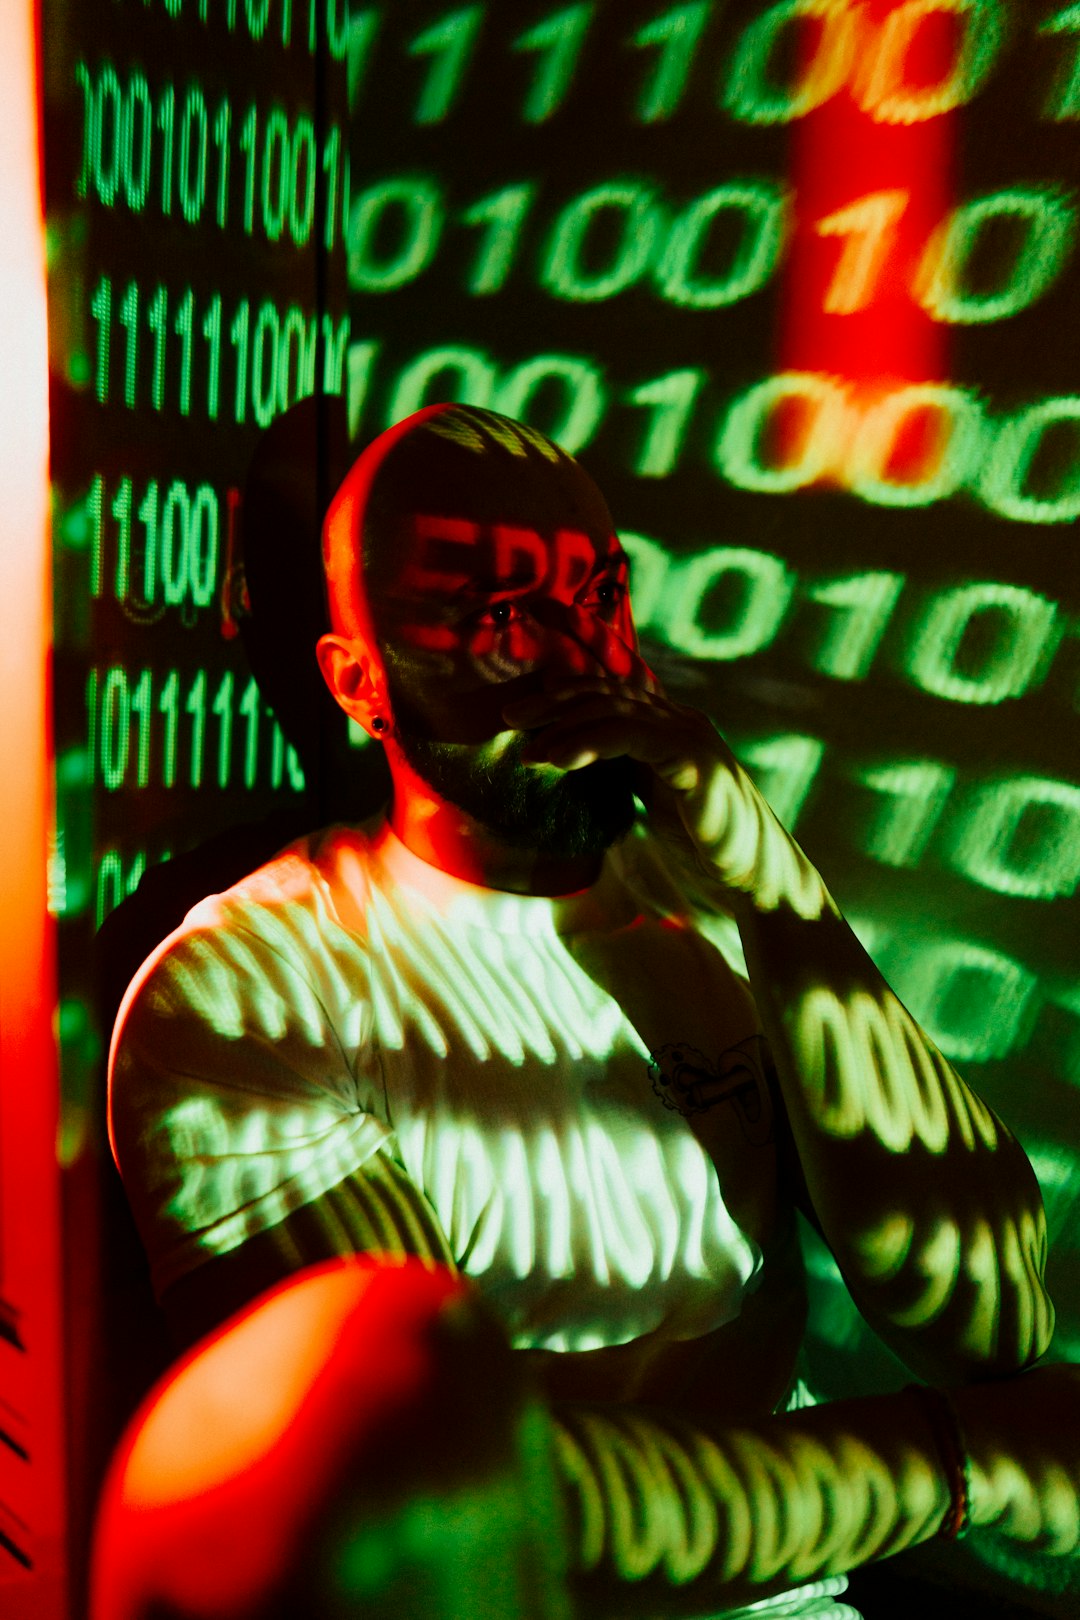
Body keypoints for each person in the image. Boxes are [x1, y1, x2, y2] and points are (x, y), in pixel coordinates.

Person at [103, 403, 1079, 1620]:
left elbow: (990, 1317)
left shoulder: (701, 899)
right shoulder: (253, 991)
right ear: (361, 682)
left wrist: (777, 884)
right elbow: (473, 1506)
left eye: (601, 598)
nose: (585, 664)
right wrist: (958, 1463)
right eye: (506, 620)